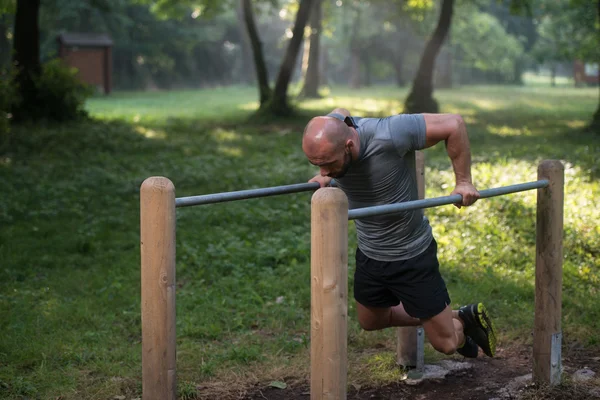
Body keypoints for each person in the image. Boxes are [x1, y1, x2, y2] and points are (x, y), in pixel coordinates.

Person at [301, 108, 496, 359]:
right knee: (371, 320)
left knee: (446, 344)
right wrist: (324, 172)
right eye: (318, 165)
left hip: (411, 255)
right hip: (371, 253)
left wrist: (464, 181)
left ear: (349, 145)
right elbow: (339, 113)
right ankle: (462, 316)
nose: (325, 172)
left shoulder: (389, 133)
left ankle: (455, 330)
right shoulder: (337, 139)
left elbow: (453, 123)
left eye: (328, 163)